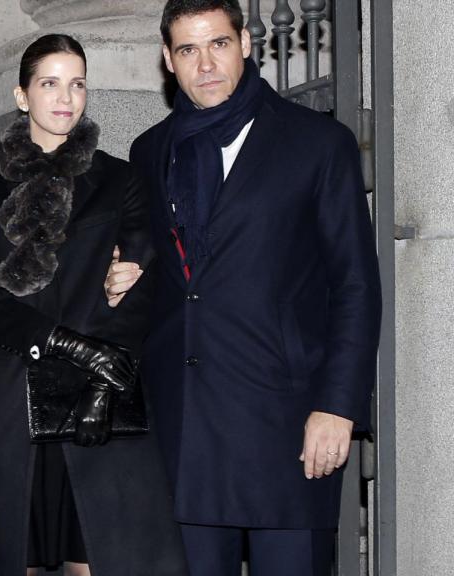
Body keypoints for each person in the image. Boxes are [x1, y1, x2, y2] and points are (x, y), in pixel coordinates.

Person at [114, 1, 383, 574]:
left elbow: (355, 284)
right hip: (183, 428)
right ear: (168, 59)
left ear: (246, 44)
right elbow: (166, 271)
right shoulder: (149, 152)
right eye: (188, 49)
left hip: (284, 427)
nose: (205, 63)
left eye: (218, 44)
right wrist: (130, 274)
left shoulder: (316, 142)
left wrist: (337, 406)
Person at [0, 34, 188, 576]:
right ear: (22, 95)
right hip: (9, 393)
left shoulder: (119, 179)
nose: (65, 98)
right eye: (49, 83)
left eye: (77, 84)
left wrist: (102, 378)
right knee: (14, 555)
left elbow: (140, 283)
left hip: (96, 400)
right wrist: (62, 344)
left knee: (96, 555)